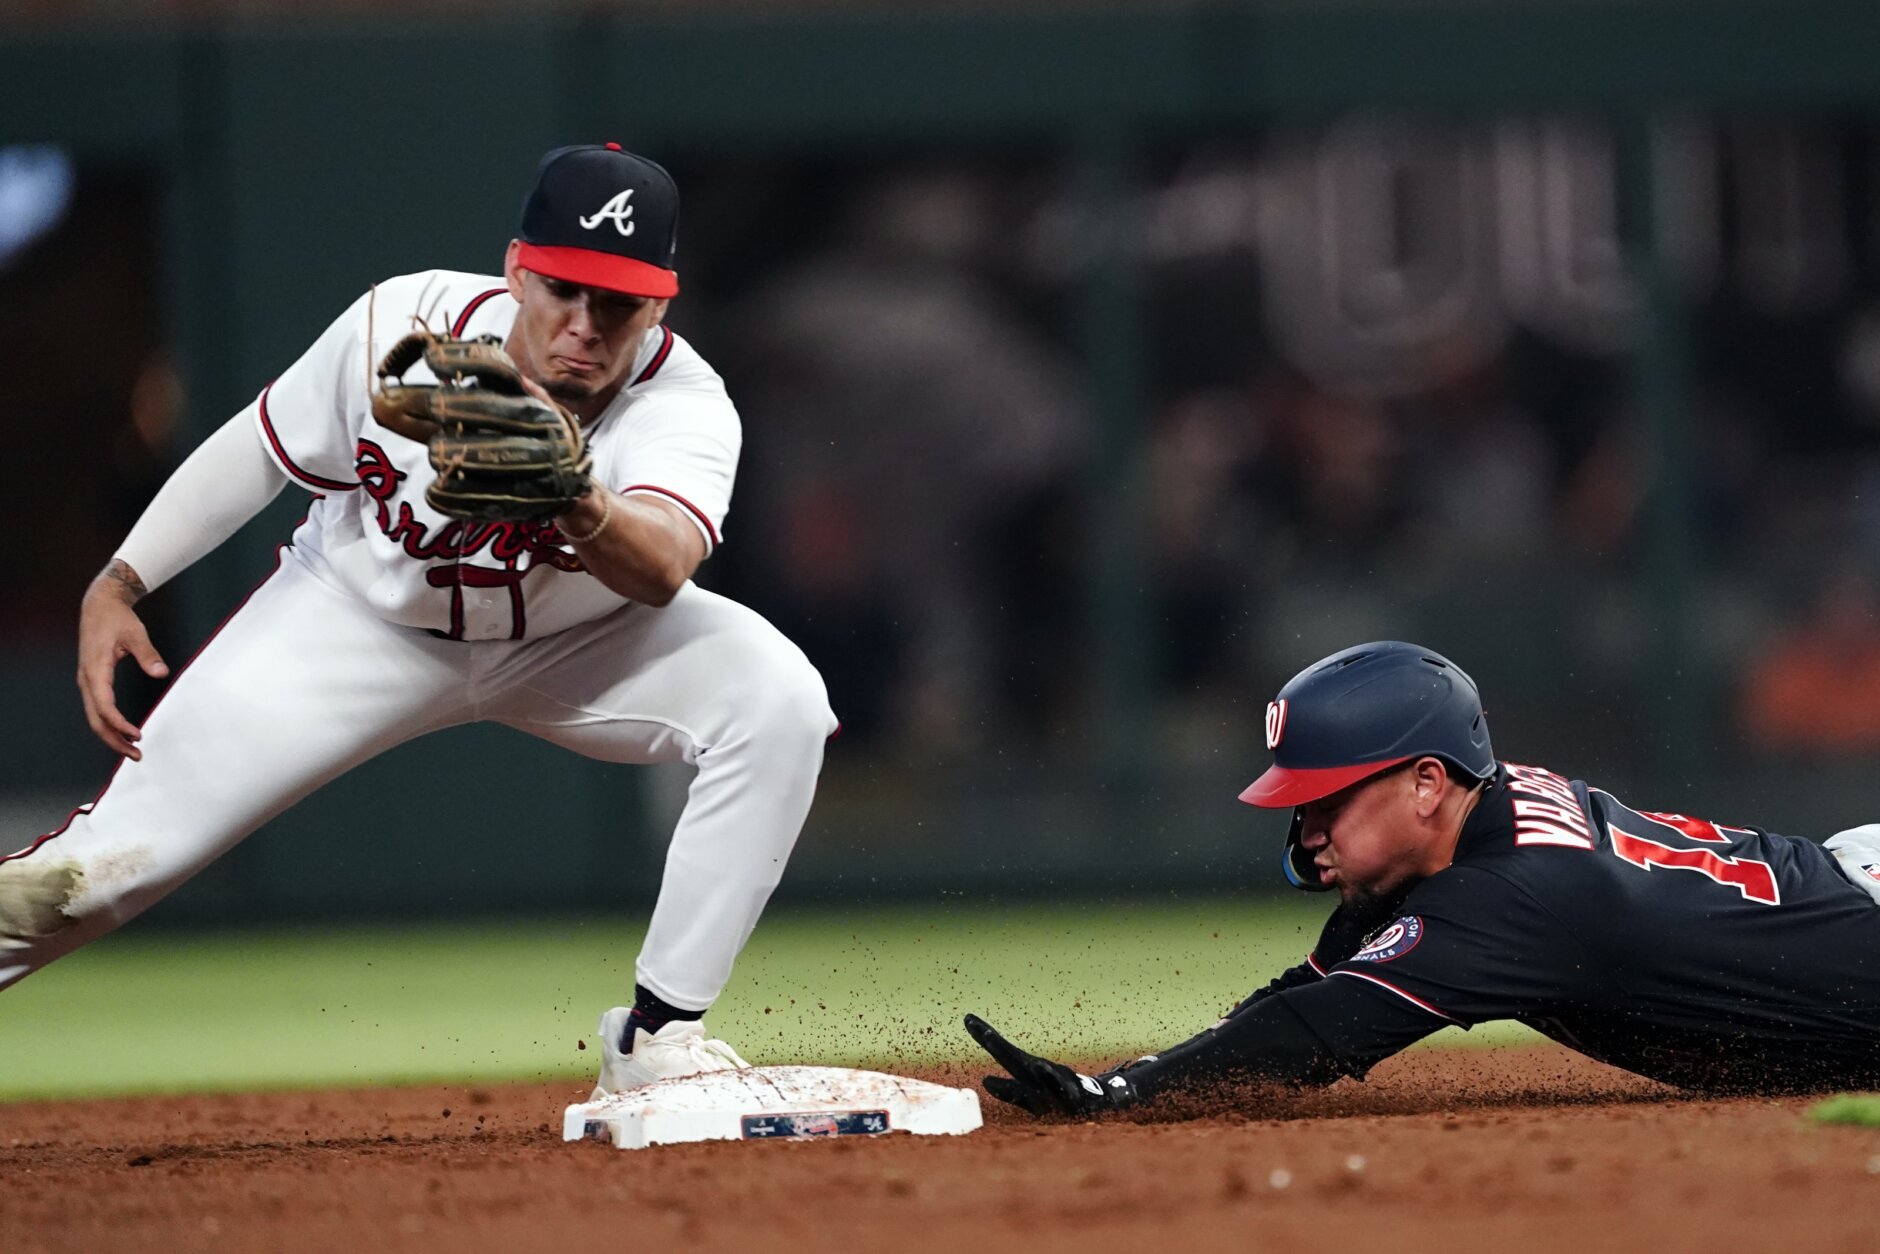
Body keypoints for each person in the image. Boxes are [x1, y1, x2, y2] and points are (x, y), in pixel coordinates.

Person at [0, 144, 837, 1096]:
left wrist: (573, 497)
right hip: (356, 622)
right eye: (566, 288)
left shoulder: (682, 402)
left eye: (620, 302)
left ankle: (660, 1040)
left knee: (779, 701)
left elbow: (663, 570)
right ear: (518, 267)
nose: (587, 326)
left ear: (661, 303)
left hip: (581, 639)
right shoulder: (403, 325)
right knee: (98, 875)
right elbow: (260, 447)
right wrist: (120, 580)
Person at [967, 641, 1880, 1114]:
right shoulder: (1470, 830)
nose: (1306, 826)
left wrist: (1120, 1093)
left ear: (1427, 783)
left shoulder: (1514, 900)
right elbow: (1323, 986)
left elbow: (1322, 1031)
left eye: (1327, 798)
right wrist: (1145, 1074)